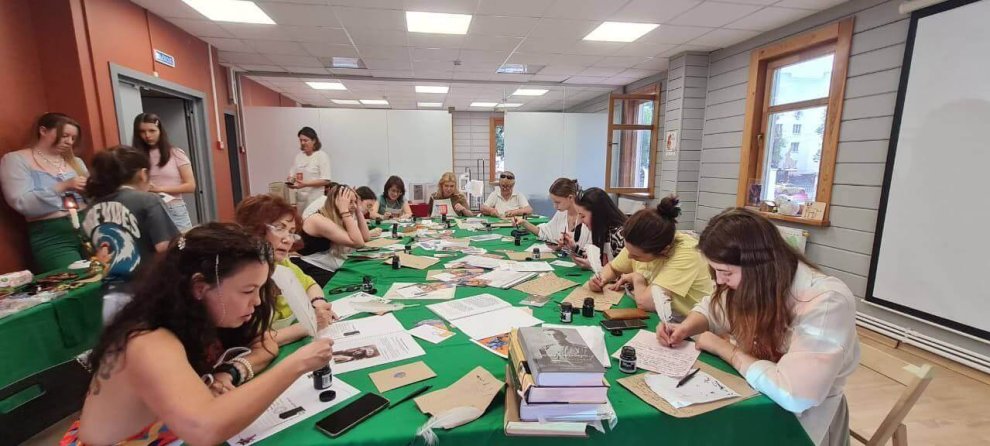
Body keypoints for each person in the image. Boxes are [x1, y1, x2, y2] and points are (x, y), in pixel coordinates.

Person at [64, 223, 335, 445]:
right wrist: (296, 364)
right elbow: (205, 429)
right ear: (199, 287)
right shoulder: (148, 341)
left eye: (259, 289)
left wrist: (229, 372)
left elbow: (264, 344)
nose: (257, 302)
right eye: (247, 291)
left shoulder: (205, 315)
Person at [656, 208, 859, 446]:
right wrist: (685, 327)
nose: (719, 280)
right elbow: (713, 309)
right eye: (716, 271)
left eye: (725, 272)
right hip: (755, 395)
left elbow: (795, 395)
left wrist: (725, 349)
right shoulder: (757, 282)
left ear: (757, 267)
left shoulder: (827, 302)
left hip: (801, 423)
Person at [589, 196, 713, 322]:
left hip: (691, 324)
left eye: (636, 256)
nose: (629, 257)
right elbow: (613, 268)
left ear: (663, 251)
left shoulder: (687, 254)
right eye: (628, 250)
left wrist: (637, 278)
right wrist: (600, 279)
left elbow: (646, 303)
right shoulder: (638, 241)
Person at [235, 195, 335, 345]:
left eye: (291, 232)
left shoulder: (282, 263)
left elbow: (310, 284)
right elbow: (253, 340)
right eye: (280, 228)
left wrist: (318, 303)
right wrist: (309, 324)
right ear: (253, 229)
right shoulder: (242, 274)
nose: (288, 240)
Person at [82, 146, 178, 300]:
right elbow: (165, 247)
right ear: (143, 174)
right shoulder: (148, 200)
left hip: (109, 294)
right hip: (149, 291)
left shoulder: (90, 208)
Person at [1, 112, 89, 273]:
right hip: (53, 235)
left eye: (73, 138)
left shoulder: (75, 161)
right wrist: (63, 186)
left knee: (105, 276)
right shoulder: (16, 159)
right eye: (64, 135)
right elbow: (21, 202)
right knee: (74, 277)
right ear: (43, 131)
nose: (69, 142)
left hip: (87, 226)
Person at [293, 183, 371, 286]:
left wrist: (358, 211)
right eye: (350, 202)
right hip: (307, 264)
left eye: (355, 201)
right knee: (349, 283)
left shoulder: (338, 216)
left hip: (321, 261)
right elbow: (358, 243)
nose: (354, 205)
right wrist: (344, 211)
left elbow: (365, 237)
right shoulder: (318, 220)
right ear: (337, 202)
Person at [132, 113, 196, 232]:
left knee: (183, 242)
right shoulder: (135, 157)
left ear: (160, 131)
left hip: (174, 208)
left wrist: (159, 189)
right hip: (147, 208)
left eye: (152, 131)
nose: (147, 135)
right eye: (142, 131)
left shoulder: (176, 153)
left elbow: (191, 186)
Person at [512, 178, 588, 248]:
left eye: (558, 202)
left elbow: (590, 249)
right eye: (553, 202)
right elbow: (545, 232)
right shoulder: (561, 214)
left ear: (570, 197)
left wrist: (572, 247)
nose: (555, 206)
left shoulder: (587, 219)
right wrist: (524, 223)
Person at [565, 187, 626, 269]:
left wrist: (594, 266)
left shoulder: (619, 236)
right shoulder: (602, 230)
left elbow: (622, 272)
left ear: (597, 214)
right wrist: (574, 248)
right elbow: (596, 258)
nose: (580, 221)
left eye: (583, 216)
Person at [286, 126, 331, 210]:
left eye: (305, 140)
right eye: (301, 140)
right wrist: (290, 180)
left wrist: (306, 184)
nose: (302, 143)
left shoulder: (321, 156)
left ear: (314, 141)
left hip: (315, 200)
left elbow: (326, 180)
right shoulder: (298, 157)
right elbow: (292, 175)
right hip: (301, 200)